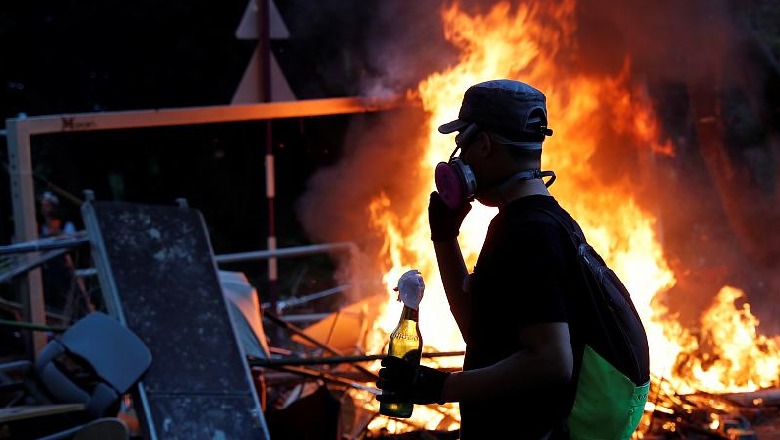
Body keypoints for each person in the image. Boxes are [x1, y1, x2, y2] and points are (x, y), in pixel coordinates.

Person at [376, 79, 648, 439]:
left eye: (463, 143)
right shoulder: (543, 222)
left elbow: (551, 362)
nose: (458, 158)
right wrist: (445, 238)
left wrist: (443, 388)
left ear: (485, 143)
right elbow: (481, 330)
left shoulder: (527, 233)